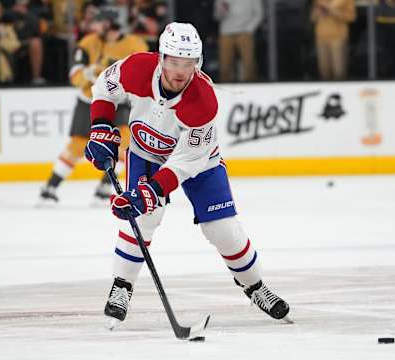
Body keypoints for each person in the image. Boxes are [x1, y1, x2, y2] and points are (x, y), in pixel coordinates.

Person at [85, 22, 291, 327]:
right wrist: (101, 126)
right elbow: (105, 88)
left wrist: (152, 191)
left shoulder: (203, 100)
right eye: (174, 62)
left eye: (188, 63)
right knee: (143, 219)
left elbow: (186, 161)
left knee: (223, 229)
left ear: (198, 63)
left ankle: (255, 286)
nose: (180, 71)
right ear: (161, 58)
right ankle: (122, 286)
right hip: (146, 152)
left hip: (201, 163)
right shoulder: (137, 67)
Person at [39, 10, 148, 205]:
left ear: (110, 24)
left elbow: (143, 72)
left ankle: (105, 188)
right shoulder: (89, 41)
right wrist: (87, 75)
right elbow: (74, 73)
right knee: (78, 146)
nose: (94, 26)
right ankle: (50, 188)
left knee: (126, 143)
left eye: (99, 22)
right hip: (90, 101)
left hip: (119, 102)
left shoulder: (135, 44)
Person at [213, 0, 262, 82]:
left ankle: (251, 86)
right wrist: (222, 11)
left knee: (248, 63)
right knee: (225, 64)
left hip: (245, 32)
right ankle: (226, 88)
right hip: (226, 32)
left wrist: (249, 30)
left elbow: (258, 14)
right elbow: (216, 16)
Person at [311, 0, 355, 81]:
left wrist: (332, 10)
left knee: (339, 71)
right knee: (324, 71)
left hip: (338, 37)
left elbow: (351, 17)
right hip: (321, 36)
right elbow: (313, 18)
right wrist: (318, 13)